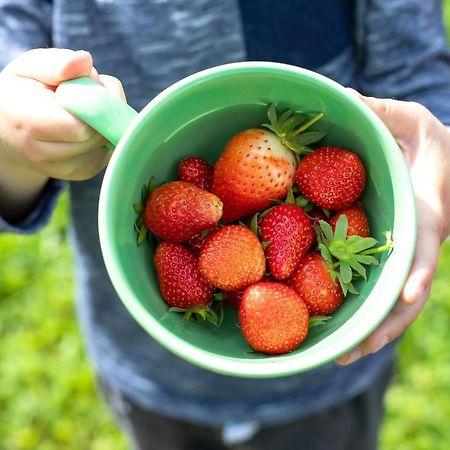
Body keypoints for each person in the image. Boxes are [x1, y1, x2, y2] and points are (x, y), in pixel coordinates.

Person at [1, 1, 449, 449]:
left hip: (327, 385)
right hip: (151, 375)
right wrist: (12, 144)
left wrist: (434, 150)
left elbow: (419, 75)